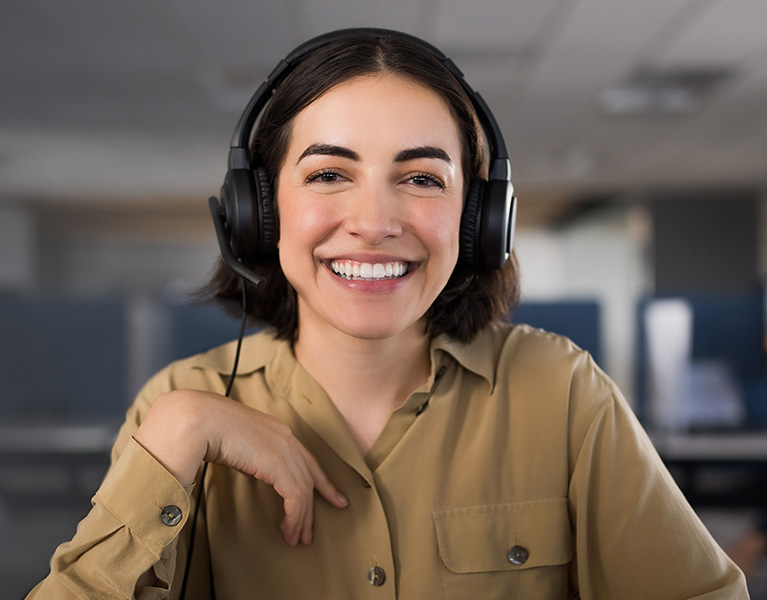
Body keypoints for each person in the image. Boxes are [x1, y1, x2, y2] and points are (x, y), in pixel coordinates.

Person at [27, 28, 748, 599]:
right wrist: (181, 433)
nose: (373, 221)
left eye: (420, 178)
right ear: (258, 212)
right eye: (329, 174)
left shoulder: (560, 393)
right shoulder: (175, 410)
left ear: (477, 220)